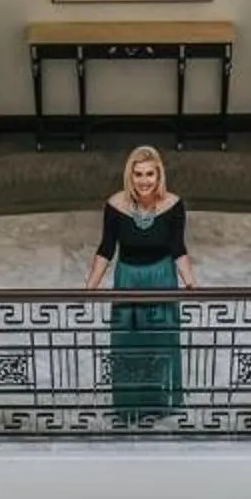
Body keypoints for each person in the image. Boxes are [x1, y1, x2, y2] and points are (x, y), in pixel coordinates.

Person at [86, 144, 193, 423]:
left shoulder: (174, 205)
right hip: (128, 280)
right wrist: (89, 288)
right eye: (138, 174)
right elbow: (106, 249)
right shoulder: (114, 205)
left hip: (161, 279)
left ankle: (158, 403)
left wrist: (192, 285)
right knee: (128, 344)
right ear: (129, 176)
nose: (144, 181)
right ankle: (129, 403)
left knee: (160, 342)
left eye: (150, 174)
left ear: (159, 176)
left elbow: (178, 248)